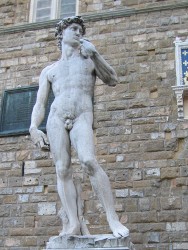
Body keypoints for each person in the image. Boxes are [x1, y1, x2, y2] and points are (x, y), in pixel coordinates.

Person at [29, 16, 129, 238]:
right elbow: (40, 103)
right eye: (73, 29)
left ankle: (113, 220)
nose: (78, 32)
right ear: (61, 34)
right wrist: (34, 127)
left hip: (82, 114)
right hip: (56, 117)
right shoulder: (49, 70)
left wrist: (95, 53)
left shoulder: (89, 60)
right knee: (62, 168)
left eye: (80, 30)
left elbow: (112, 79)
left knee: (88, 161)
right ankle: (73, 223)